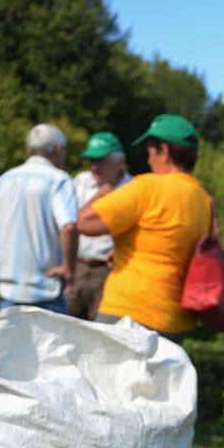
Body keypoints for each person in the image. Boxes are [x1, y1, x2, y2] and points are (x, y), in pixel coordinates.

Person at [77, 114, 224, 341]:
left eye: (150, 152)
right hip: (175, 324)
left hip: (127, 315)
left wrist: (104, 190)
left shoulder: (148, 187)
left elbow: (85, 222)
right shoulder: (205, 200)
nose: (149, 160)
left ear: (164, 150)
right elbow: (170, 243)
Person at [0, 123, 79, 313]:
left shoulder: (6, 179)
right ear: (58, 149)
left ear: (28, 150)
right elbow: (69, 227)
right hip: (46, 287)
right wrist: (69, 268)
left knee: (12, 342)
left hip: (9, 286)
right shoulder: (58, 179)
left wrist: (1, 253)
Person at [68, 131, 132, 320]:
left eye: (101, 161)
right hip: (76, 268)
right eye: (90, 161)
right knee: (68, 332)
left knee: (102, 335)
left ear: (120, 161)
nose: (94, 167)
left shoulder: (134, 189)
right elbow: (69, 222)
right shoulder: (81, 181)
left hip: (110, 272)